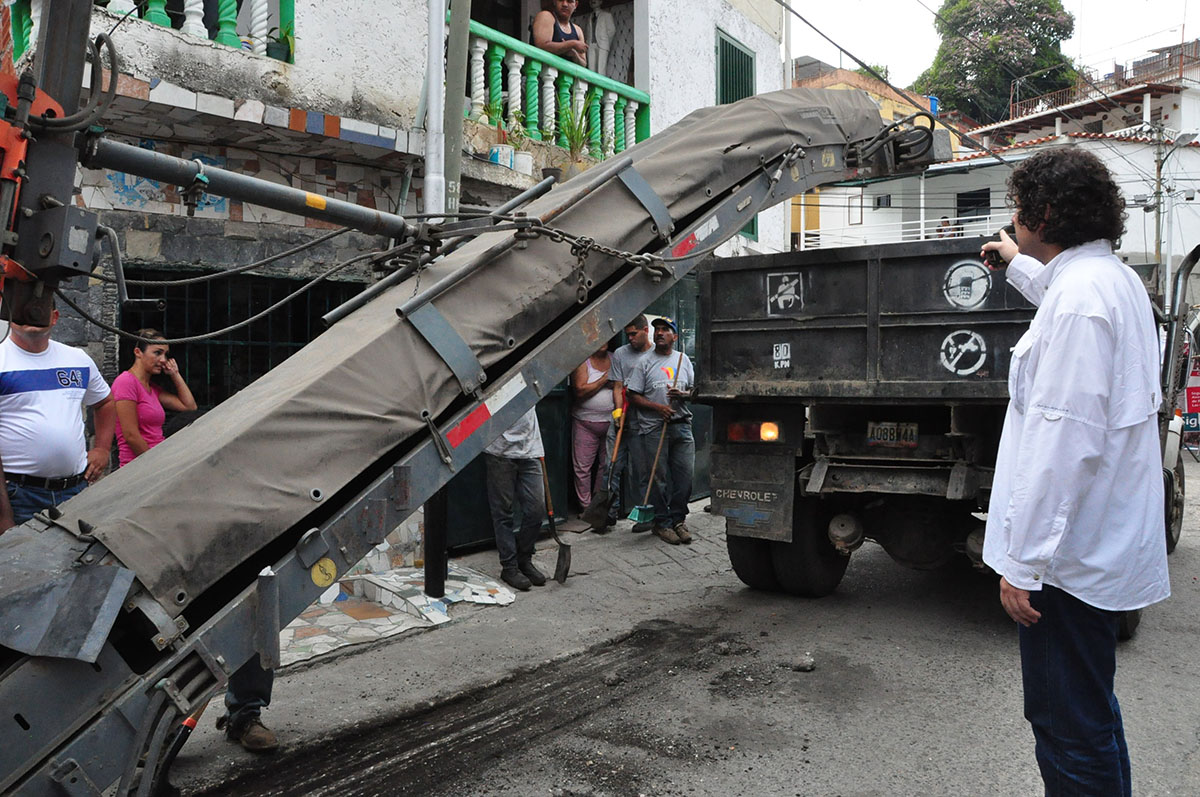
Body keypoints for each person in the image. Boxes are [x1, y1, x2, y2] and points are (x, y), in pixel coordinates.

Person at [979, 147, 1168, 796]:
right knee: (1093, 716)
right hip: (1094, 548)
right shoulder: (1107, 282)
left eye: (1019, 209)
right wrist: (1016, 263)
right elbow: (1059, 292)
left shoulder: (1081, 302)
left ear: (1047, 210)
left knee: (1067, 725)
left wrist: (1024, 561)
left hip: (1069, 561)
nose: (1013, 219)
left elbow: (1065, 441)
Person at [0, 296, 115, 533]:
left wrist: (103, 449)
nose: (32, 314)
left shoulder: (77, 359)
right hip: (19, 494)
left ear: (55, 317)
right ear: (9, 316)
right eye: (23, 308)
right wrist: (3, 515)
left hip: (75, 491)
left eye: (41, 309)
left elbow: (105, 401)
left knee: (74, 564)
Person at [625, 317, 695, 545]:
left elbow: (693, 390)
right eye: (657, 330)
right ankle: (662, 523)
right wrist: (658, 408)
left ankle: (678, 520)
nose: (660, 333)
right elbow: (632, 395)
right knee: (658, 478)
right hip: (654, 428)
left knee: (684, 477)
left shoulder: (683, 360)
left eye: (666, 330)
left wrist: (683, 395)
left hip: (681, 425)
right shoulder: (644, 362)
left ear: (675, 337)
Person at [484, 407, 549, 591]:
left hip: (530, 448)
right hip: (499, 450)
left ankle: (524, 558)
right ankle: (509, 567)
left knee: (536, 510)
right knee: (503, 513)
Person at [112, 329, 197, 467]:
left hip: (156, 460)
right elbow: (131, 435)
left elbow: (189, 407)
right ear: (138, 352)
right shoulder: (126, 382)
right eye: (157, 353)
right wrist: (153, 465)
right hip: (138, 466)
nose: (163, 360)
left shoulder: (152, 388)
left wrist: (175, 374)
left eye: (165, 354)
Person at [605, 314, 653, 531]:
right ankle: (608, 513)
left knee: (644, 469)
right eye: (628, 334)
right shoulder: (620, 354)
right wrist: (616, 414)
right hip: (622, 417)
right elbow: (617, 386)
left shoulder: (655, 355)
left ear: (646, 330)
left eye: (634, 334)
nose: (630, 338)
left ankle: (646, 513)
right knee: (612, 466)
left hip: (643, 420)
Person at [570, 346, 613, 523]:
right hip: (585, 422)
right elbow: (580, 391)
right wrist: (604, 380)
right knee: (582, 467)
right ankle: (586, 507)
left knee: (606, 466)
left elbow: (620, 386)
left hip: (611, 422)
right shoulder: (582, 359)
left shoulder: (615, 358)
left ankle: (599, 506)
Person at [533, 0, 588, 67]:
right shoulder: (546, 16)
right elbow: (541, 46)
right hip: (540, 74)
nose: (564, 4)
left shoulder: (578, 30)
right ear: (554, 1)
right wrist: (571, 44)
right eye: (561, 0)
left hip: (564, 76)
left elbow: (584, 64)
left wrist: (574, 55)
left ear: (575, 4)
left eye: (569, 1)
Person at [585, 0, 615, 76]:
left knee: (601, 69)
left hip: (602, 44)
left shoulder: (606, 15)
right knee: (591, 68)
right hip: (591, 44)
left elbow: (611, 31)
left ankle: (601, 87)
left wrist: (606, 42)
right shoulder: (589, 17)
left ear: (601, 1)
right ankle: (592, 86)